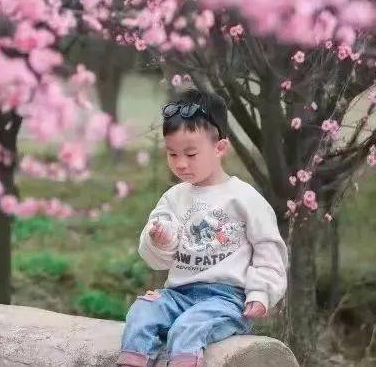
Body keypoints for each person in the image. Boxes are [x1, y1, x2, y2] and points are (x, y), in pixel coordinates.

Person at [117, 89, 288, 367]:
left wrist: (261, 292)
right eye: (172, 154)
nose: (180, 163)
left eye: (191, 153)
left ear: (220, 148)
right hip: (178, 294)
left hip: (226, 300)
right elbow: (155, 260)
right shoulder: (174, 198)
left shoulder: (244, 198)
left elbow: (269, 249)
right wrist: (160, 241)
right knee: (142, 312)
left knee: (188, 327)